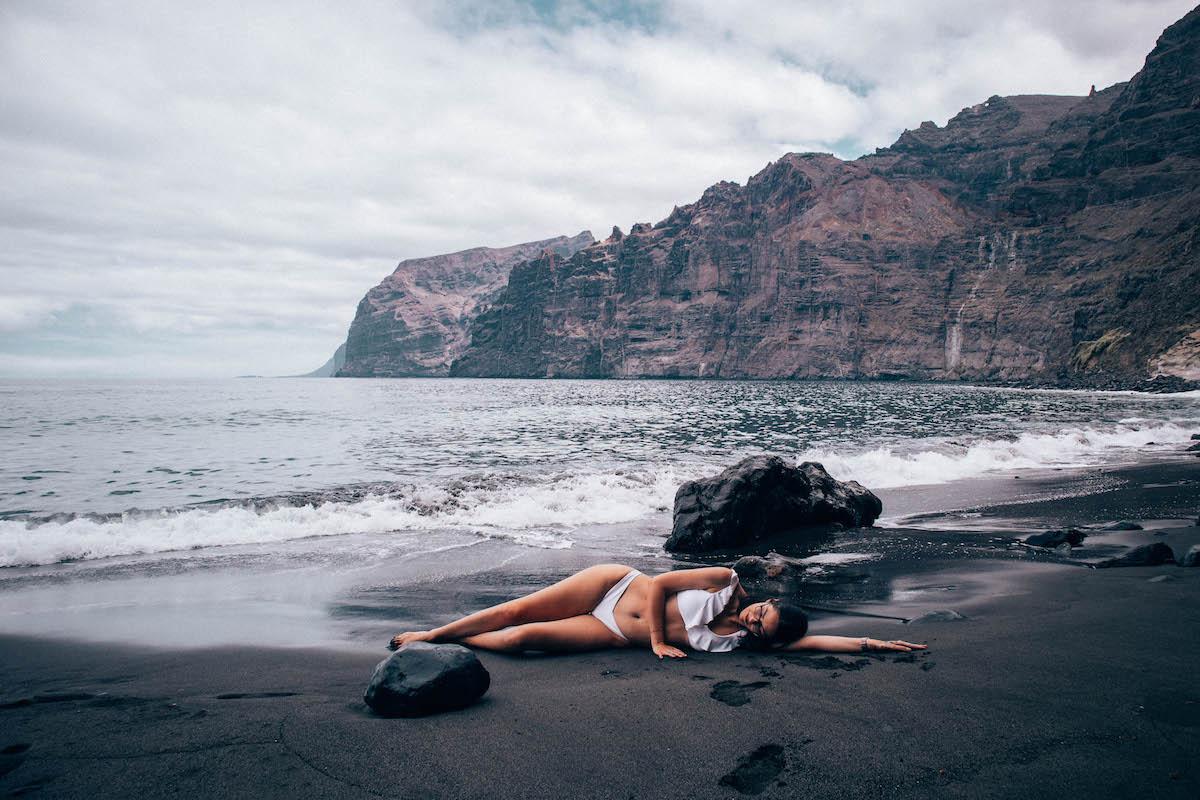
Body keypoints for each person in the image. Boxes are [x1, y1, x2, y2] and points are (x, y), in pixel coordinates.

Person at [389, 563, 926, 657]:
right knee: (516, 611)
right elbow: (664, 582)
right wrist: (657, 642)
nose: (751, 619)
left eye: (759, 627)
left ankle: (449, 643)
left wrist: (870, 643)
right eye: (760, 610)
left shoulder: (739, 644)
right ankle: (430, 635)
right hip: (615, 588)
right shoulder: (724, 582)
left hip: (610, 634)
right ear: (763, 600)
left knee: (521, 641)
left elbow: (808, 645)